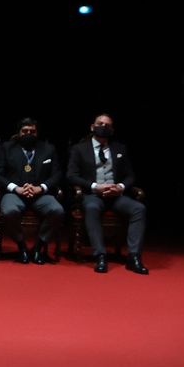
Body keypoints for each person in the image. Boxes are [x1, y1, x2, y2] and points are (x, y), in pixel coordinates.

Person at [66, 112, 148, 274]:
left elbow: (130, 175)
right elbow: (71, 175)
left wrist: (121, 187)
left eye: (107, 125)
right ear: (92, 127)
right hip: (93, 195)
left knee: (139, 208)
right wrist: (96, 186)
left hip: (116, 195)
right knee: (91, 208)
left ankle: (134, 256)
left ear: (112, 130)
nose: (103, 127)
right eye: (100, 124)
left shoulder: (119, 148)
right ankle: (100, 255)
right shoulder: (79, 149)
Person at [0, 117, 66, 264]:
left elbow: (57, 174)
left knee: (57, 210)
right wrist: (15, 188)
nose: (29, 134)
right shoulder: (6, 148)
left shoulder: (48, 148)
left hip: (40, 194)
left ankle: (39, 246)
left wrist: (41, 188)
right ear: (19, 133)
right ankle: (22, 246)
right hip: (15, 193)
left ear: (37, 133)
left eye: (32, 131)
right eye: (25, 131)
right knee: (9, 211)